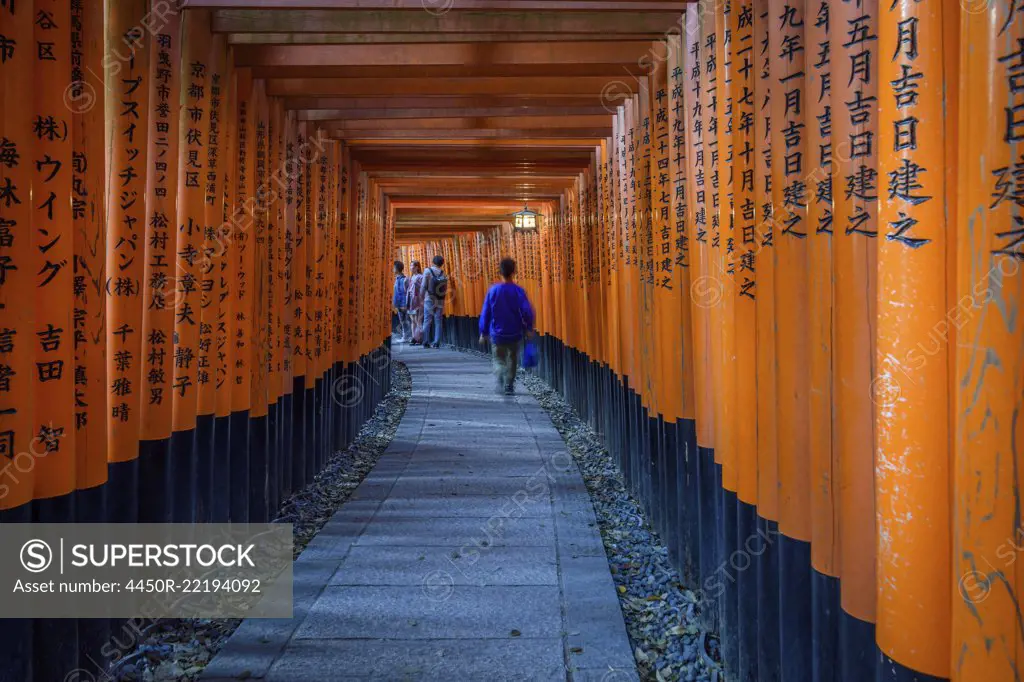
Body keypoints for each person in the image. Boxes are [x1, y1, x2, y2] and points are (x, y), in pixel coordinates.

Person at [479, 257, 535, 395]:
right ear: (513, 272)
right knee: (513, 358)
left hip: (497, 333)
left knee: (498, 358)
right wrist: (528, 328)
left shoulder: (493, 290)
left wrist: (483, 332)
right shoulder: (518, 291)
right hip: (515, 332)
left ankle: (501, 372)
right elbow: (527, 310)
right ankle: (509, 384)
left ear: (500, 272)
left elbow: (486, 312)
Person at [420, 255, 448, 348]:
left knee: (427, 320)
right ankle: (436, 343)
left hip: (429, 298)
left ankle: (425, 341)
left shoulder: (427, 271)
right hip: (440, 299)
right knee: (438, 320)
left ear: (433, 261)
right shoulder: (442, 273)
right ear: (441, 264)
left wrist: (420, 296)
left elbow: (423, 285)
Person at [406, 261, 425, 345]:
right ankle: (414, 337)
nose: (411, 268)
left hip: (418, 300)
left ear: (417, 267)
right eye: (410, 266)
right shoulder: (411, 277)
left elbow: (422, 290)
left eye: (412, 266)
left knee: (418, 320)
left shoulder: (420, 276)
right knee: (413, 320)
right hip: (411, 301)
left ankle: (419, 338)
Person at [392, 261, 410, 342]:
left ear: (397, 269)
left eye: (394, 267)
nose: (393, 269)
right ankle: (406, 336)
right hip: (400, 303)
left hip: (402, 303)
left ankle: (406, 337)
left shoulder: (401, 279)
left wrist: (402, 304)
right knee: (403, 321)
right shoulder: (398, 278)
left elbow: (402, 293)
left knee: (404, 320)